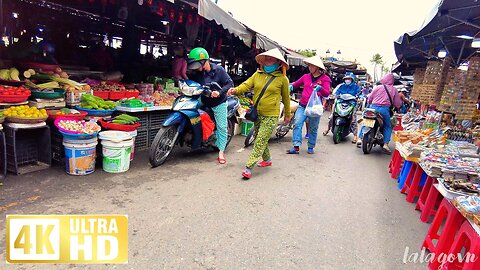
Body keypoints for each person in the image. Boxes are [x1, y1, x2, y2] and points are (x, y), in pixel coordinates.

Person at [227, 48, 291, 180]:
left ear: (278, 62)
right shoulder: (257, 74)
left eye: (271, 58)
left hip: (271, 114)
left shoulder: (282, 79)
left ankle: (249, 167)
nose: (268, 60)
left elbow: (286, 98)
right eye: (266, 58)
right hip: (257, 113)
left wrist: (287, 115)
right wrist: (235, 90)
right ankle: (267, 159)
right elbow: (246, 85)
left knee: (260, 139)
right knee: (260, 137)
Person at [187, 47, 233, 164]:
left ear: (204, 61)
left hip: (219, 103)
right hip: (204, 99)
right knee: (189, 109)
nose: (196, 67)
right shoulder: (198, 73)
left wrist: (220, 92)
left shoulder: (219, 70)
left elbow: (229, 83)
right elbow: (192, 83)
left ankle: (221, 152)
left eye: (197, 64)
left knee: (222, 127)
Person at [287, 55, 331, 154]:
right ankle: (296, 146)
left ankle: (311, 146)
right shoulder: (306, 77)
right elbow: (296, 84)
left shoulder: (325, 79)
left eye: (312, 66)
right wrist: (290, 86)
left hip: (315, 108)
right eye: (309, 65)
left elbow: (327, 93)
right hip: (302, 105)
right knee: (297, 123)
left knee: (313, 128)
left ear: (318, 67)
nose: (310, 67)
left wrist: (321, 88)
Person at [366, 73, 402, 154]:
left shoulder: (377, 87)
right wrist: (398, 106)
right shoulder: (394, 89)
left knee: (366, 122)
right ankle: (385, 144)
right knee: (388, 126)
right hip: (384, 109)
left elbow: (369, 98)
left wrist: (370, 103)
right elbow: (397, 103)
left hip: (372, 108)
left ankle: (360, 138)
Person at [323, 72, 361, 142]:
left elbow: (359, 94)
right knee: (333, 115)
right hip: (341, 102)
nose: (347, 80)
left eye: (349, 79)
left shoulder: (356, 87)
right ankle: (327, 129)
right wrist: (334, 95)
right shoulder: (341, 86)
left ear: (352, 80)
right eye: (346, 79)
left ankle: (355, 136)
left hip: (352, 104)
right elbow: (336, 93)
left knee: (353, 119)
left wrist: (358, 97)